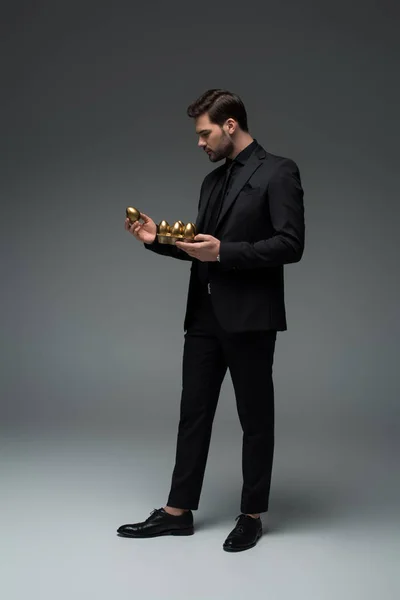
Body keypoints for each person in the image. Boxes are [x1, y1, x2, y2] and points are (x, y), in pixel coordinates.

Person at [117, 89, 305, 552]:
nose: (199, 143)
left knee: (255, 419)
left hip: (250, 318)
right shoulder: (211, 183)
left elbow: (291, 244)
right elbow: (200, 246)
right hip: (203, 314)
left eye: (204, 134)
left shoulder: (279, 171)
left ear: (230, 125)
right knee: (193, 414)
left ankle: (252, 515)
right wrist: (155, 238)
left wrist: (226, 252)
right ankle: (178, 512)